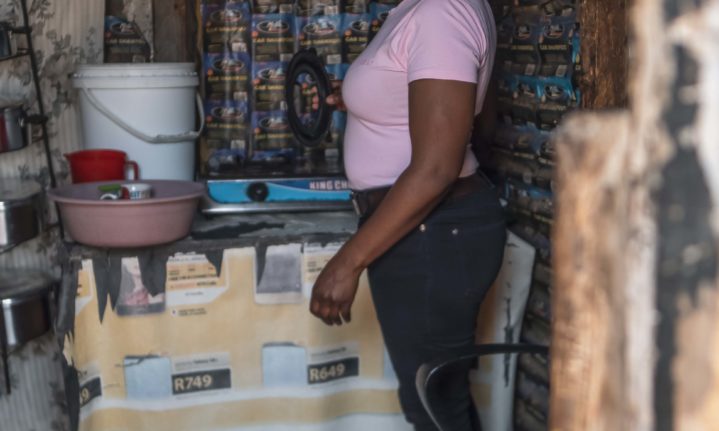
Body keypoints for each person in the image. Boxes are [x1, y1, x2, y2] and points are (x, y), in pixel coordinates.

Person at [309, 0, 504, 429]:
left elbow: (437, 169)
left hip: (433, 233)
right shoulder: (421, 9)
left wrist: (347, 262)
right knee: (439, 398)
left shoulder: (442, 11)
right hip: (423, 230)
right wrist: (362, 98)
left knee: (432, 403)